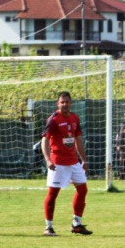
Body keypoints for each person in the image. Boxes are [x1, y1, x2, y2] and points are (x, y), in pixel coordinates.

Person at [40, 91, 91, 236]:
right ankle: (48, 227)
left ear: (71, 103)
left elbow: (78, 140)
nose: (65, 104)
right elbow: (45, 140)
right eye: (62, 102)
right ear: (58, 104)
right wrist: (48, 160)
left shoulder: (75, 118)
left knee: (83, 190)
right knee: (53, 193)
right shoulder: (54, 119)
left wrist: (84, 159)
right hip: (58, 162)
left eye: (67, 102)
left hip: (73, 162)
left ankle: (77, 224)